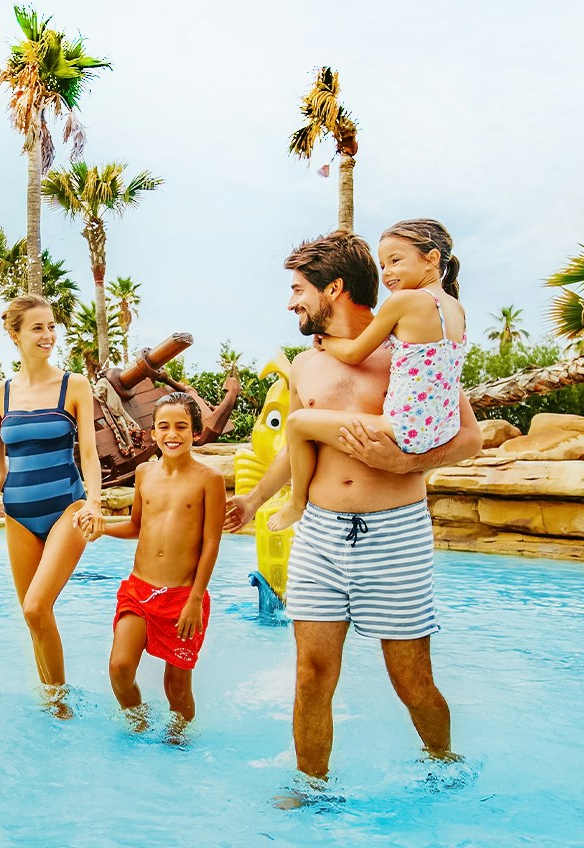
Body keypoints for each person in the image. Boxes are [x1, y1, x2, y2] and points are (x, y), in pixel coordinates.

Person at [224, 230, 483, 793]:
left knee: (411, 679)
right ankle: (310, 788)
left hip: (395, 534)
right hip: (319, 534)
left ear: (332, 288)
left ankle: (444, 763)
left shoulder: (410, 345)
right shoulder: (305, 365)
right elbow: (299, 449)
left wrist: (406, 464)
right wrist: (253, 499)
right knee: (312, 674)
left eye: (298, 290)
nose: (291, 302)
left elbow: (469, 439)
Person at [268, 219, 468, 533]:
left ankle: (296, 503)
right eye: (383, 264)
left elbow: (354, 352)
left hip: (398, 507)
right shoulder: (455, 310)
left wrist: (327, 341)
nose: (387, 273)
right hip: (434, 430)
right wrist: (252, 501)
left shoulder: (401, 312)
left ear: (431, 259)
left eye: (396, 261)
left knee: (297, 423)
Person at [0, 294, 106, 714]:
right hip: (18, 515)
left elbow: (89, 454)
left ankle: (61, 702)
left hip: (68, 508)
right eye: (37, 327)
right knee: (32, 617)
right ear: (14, 335)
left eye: (51, 326)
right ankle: (50, 703)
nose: (48, 335)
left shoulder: (74, 386)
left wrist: (95, 504)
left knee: (36, 605)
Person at [104, 393, 224, 733]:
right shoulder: (144, 473)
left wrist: (195, 600)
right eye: (164, 427)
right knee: (120, 667)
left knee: (177, 686)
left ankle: (179, 741)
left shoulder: (209, 479)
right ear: (153, 434)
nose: (173, 434)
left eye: (181, 427)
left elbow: (211, 543)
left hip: (183, 597)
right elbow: (136, 527)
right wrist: (102, 528)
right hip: (139, 590)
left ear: (195, 433)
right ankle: (138, 724)